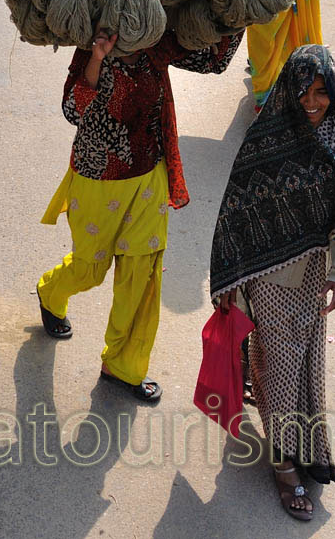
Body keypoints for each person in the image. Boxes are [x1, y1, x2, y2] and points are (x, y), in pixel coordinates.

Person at [210, 45, 335, 520]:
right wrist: (232, 282)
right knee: (282, 364)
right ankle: (284, 466)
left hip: (312, 275)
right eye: (302, 91)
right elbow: (236, 215)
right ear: (287, 89)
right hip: (265, 278)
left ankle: (301, 444)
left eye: (321, 92)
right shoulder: (265, 137)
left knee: (304, 363)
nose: (311, 101)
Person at [36, 27, 241, 402]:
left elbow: (212, 60)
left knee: (141, 277)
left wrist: (237, 11)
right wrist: (97, 58)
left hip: (149, 177)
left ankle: (124, 365)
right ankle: (50, 291)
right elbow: (73, 109)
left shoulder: (157, 44)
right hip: (97, 178)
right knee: (89, 270)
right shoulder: (91, 49)